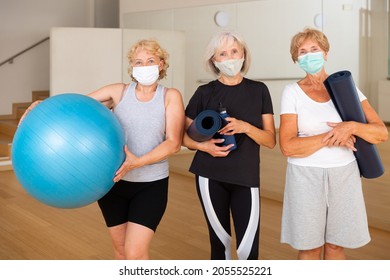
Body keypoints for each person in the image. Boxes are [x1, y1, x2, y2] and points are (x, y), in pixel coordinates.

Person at [21, 39, 185, 260]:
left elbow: (173, 143)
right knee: (120, 251)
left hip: (150, 185)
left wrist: (137, 162)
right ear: (132, 67)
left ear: (162, 64)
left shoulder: (170, 96)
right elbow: (75, 107)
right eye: (139, 61)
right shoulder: (118, 92)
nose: (144, 66)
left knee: (135, 253)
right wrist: (42, 105)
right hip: (113, 184)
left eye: (150, 61)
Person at [279, 28, 388, 260]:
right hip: (305, 176)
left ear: (326, 53)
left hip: (344, 174)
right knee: (309, 247)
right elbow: (288, 146)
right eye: (303, 52)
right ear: (296, 59)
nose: (309, 55)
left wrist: (351, 127)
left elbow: (380, 132)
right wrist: (333, 136)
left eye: (314, 50)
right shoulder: (292, 93)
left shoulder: (347, 89)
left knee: (337, 246)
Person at [182, 31, 276, 260]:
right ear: (214, 61)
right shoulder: (204, 92)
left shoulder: (259, 90)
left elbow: (270, 141)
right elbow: (183, 138)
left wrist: (245, 127)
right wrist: (206, 147)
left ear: (243, 54)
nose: (230, 57)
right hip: (209, 176)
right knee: (220, 245)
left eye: (234, 51)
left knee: (248, 250)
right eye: (222, 53)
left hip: (246, 177)